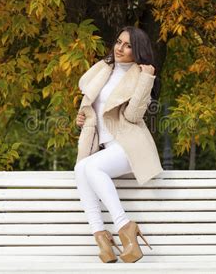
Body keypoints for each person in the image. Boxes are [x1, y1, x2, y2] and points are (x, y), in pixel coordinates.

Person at [73, 26, 163, 263]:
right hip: (108, 147)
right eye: (118, 42)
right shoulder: (105, 71)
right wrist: (83, 117)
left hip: (129, 145)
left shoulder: (140, 76)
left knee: (91, 168)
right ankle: (100, 236)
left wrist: (146, 78)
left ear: (138, 51)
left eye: (128, 45)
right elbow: (96, 108)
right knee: (80, 168)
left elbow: (133, 116)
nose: (120, 48)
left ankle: (125, 225)